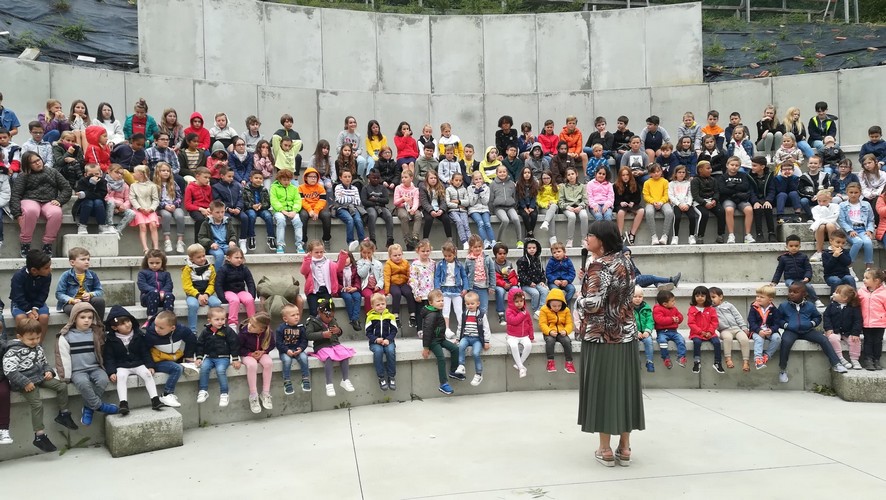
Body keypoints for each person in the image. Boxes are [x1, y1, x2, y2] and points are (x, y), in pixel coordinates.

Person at [576, 220, 644, 467]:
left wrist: (577, 301)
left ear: (601, 240)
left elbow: (593, 303)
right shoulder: (626, 260)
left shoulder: (598, 265)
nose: (587, 239)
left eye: (590, 235)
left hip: (601, 335)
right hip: (626, 333)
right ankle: (624, 448)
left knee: (604, 388)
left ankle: (605, 449)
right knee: (624, 388)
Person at [3, 318, 76, 452]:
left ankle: (63, 414)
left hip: (39, 376)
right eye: (31, 339)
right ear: (20, 337)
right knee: (37, 404)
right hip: (24, 382)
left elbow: (44, 363)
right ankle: (39, 435)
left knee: (62, 386)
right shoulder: (13, 351)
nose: (35, 341)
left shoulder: (38, 347)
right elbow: (9, 370)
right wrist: (25, 382)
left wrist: (48, 371)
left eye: (38, 337)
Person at [56, 301, 118, 425]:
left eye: (90, 318)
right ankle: (99, 406)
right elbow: (61, 357)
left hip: (95, 367)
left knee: (103, 380)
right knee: (83, 383)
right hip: (77, 370)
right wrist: (65, 375)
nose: (86, 320)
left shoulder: (96, 333)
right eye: (82, 317)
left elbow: (103, 351)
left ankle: (88, 408)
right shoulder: (66, 336)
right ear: (74, 318)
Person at [777, 283, 848, 383]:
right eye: (790, 292)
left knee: (823, 339)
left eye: (795, 292)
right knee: (785, 342)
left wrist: (811, 324)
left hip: (807, 331)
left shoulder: (810, 305)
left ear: (804, 294)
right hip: (791, 331)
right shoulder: (783, 306)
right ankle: (783, 369)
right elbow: (778, 319)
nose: (792, 294)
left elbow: (817, 317)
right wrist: (786, 325)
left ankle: (836, 364)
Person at [11, 151, 72, 257]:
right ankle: (25, 244)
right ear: (27, 165)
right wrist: (17, 214)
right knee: (31, 211)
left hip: (49, 201)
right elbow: (16, 194)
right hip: (30, 200)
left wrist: (59, 200)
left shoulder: (53, 172)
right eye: (33, 162)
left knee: (56, 212)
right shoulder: (23, 176)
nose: (38, 163)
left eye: (38, 160)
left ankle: (47, 244)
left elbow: (67, 188)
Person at [104, 305, 162, 414]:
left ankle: (155, 399)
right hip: (122, 365)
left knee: (147, 374)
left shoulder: (138, 335)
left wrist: (150, 365)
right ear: (114, 328)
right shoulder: (111, 340)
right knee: (121, 377)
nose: (127, 325)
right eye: (122, 324)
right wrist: (111, 371)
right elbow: (109, 358)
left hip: (138, 363)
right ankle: (123, 403)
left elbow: (145, 352)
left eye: (128, 321)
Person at [144, 310, 196, 407]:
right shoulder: (151, 334)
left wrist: (188, 356)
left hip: (174, 357)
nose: (157, 329)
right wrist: (150, 365)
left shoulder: (182, 330)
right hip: (158, 361)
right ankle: (166, 394)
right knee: (177, 369)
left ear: (172, 328)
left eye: (161, 328)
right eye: (155, 325)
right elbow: (144, 350)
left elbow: (192, 339)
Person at [306, 298, 356, 397]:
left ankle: (345, 379)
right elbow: (308, 335)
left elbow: (339, 332)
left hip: (334, 344)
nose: (329, 318)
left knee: (344, 354)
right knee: (329, 356)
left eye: (332, 316)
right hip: (321, 346)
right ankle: (329, 384)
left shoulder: (332, 320)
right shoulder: (312, 321)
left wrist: (339, 330)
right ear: (319, 312)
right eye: (327, 316)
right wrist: (322, 335)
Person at [196, 306, 241, 407]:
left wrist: (235, 358)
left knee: (220, 370)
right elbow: (200, 344)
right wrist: (199, 357)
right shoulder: (206, 331)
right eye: (217, 319)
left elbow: (234, 344)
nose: (220, 322)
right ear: (209, 320)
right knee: (204, 368)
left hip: (223, 357)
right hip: (209, 357)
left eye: (222, 319)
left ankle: (224, 393)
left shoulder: (228, 331)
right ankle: (203, 391)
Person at [422, 290, 461, 395]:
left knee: (455, 349)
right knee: (441, 358)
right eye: (438, 301)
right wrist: (426, 347)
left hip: (441, 338)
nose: (441, 302)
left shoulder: (437, 311)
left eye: (442, 300)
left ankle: (453, 371)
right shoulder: (431, 315)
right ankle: (443, 383)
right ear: (431, 303)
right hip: (433, 341)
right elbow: (427, 331)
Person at [771, 234, 823, 309]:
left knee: (808, 286)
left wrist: (807, 277)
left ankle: (816, 300)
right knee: (792, 286)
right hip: (790, 279)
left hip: (801, 278)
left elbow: (808, 268)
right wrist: (774, 282)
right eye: (791, 246)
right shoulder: (783, 258)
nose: (794, 248)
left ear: (800, 247)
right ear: (787, 247)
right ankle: (794, 301)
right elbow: (779, 270)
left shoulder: (803, 257)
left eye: (796, 246)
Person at [11, 249, 52, 342]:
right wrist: (29, 311)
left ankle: (38, 344)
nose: (50, 269)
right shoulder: (18, 276)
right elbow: (18, 296)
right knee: (21, 318)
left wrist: (35, 307)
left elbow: (43, 293)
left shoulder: (47, 275)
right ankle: (22, 344)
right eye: (46, 268)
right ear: (34, 270)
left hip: (38, 303)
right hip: (20, 303)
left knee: (44, 317)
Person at [237, 313, 274, 414]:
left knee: (268, 363)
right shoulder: (243, 332)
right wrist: (249, 354)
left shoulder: (268, 333)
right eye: (250, 322)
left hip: (261, 353)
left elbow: (272, 345)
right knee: (252, 365)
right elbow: (238, 348)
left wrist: (263, 352)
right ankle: (253, 395)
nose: (249, 325)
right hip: (247, 354)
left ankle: (265, 393)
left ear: (261, 330)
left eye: (253, 326)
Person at [182, 243, 223, 334]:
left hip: (207, 294)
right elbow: (187, 286)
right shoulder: (187, 269)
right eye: (199, 257)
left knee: (216, 303)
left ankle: (215, 327)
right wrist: (198, 296)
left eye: (203, 256)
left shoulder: (210, 268)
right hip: (193, 295)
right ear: (191, 259)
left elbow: (212, 283)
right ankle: (192, 331)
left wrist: (206, 294)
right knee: (193, 305)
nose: (202, 259)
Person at [55, 246, 106, 319]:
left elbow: (100, 291)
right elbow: (59, 294)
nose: (87, 262)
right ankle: (78, 329)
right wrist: (71, 300)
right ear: (72, 262)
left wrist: (90, 294)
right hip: (71, 303)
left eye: (88, 259)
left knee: (99, 301)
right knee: (73, 310)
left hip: (87, 301)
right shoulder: (66, 275)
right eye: (83, 259)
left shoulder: (92, 275)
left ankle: (98, 326)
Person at [710, 287, 751, 372]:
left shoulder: (728, 305)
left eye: (713, 297)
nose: (711, 300)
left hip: (736, 328)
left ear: (720, 297)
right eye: (709, 298)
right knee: (727, 338)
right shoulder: (711, 310)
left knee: (744, 339)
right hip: (724, 330)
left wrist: (744, 327)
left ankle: (746, 361)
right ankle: (728, 359)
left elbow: (737, 316)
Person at [216, 246, 257, 330]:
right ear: (228, 258)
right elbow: (218, 284)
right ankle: (233, 325)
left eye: (241, 258)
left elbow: (250, 282)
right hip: (228, 291)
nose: (239, 260)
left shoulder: (244, 268)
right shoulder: (223, 269)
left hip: (241, 291)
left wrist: (252, 294)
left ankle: (252, 322)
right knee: (235, 300)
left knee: (249, 299)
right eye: (236, 257)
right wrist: (222, 298)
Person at [824, 285, 863, 370]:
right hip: (835, 330)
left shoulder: (853, 307)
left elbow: (858, 320)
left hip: (848, 331)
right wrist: (828, 328)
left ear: (844, 298)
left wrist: (855, 333)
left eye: (837, 293)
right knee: (832, 338)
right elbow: (826, 317)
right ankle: (840, 358)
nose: (833, 294)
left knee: (855, 340)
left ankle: (855, 359)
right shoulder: (831, 306)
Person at [837, 182, 875, 269]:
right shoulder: (842, 205)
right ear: (847, 193)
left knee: (868, 242)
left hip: (862, 229)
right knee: (858, 242)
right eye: (851, 192)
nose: (853, 195)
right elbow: (842, 221)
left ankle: (868, 266)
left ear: (860, 193)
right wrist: (850, 230)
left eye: (856, 192)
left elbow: (870, 220)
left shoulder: (866, 204)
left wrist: (869, 230)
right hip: (849, 230)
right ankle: (848, 265)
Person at [687, 286, 724, 374]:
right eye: (697, 296)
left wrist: (710, 332)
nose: (700, 298)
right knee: (697, 342)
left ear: (707, 297)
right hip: (696, 333)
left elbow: (714, 322)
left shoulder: (711, 309)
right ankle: (697, 362)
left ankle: (717, 362)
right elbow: (691, 323)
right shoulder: (692, 309)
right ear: (694, 297)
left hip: (710, 333)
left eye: (702, 296)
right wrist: (700, 332)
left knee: (716, 342)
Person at [275, 304, 311, 394]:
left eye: (297, 314)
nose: (296, 317)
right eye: (293, 315)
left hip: (298, 350)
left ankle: (305, 379)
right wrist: (286, 350)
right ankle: (287, 381)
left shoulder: (301, 327)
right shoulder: (280, 329)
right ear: (285, 319)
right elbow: (278, 343)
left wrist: (301, 349)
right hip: (285, 351)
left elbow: (304, 340)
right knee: (287, 361)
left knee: (304, 358)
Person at [365, 293, 398, 391]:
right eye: (378, 305)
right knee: (378, 352)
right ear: (372, 306)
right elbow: (368, 332)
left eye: (382, 304)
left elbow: (394, 330)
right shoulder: (370, 317)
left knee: (390, 351)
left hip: (389, 341)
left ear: (386, 304)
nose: (380, 306)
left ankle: (391, 376)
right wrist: (375, 339)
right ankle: (381, 377)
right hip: (375, 342)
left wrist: (388, 339)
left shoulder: (390, 316)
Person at [212, 166, 248, 252]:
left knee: (245, 218)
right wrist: (227, 209)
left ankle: (242, 240)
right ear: (222, 176)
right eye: (229, 176)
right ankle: (230, 241)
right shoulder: (216, 187)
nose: (231, 178)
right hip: (225, 210)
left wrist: (238, 208)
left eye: (232, 176)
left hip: (237, 209)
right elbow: (218, 200)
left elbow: (241, 198)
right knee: (227, 219)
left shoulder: (237, 185)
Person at [300, 240, 339, 317]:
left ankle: (327, 327)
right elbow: (303, 271)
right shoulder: (309, 262)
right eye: (316, 252)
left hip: (325, 290)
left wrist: (343, 257)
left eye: (321, 252)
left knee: (327, 311)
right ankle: (314, 326)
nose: (319, 254)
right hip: (313, 291)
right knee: (314, 311)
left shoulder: (328, 262)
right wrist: (307, 259)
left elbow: (339, 268)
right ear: (310, 253)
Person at [540, 287, 575, 374]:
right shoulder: (544, 309)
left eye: (559, 306)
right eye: (554, 306)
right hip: (549, 331)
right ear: (549, 303)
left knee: (567, 341)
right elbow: (542, 324)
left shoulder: (566, 310)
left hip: (561, 331)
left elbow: (569, 323)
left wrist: (566, 331)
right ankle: (550, 362)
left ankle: (569, 363)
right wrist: (549, 331)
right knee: (550, 341)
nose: (557, 308)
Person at [270, 169, 305, 254]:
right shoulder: (274, 187)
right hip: (279, 211)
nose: (286, 182)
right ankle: (280, 245)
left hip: (292, 211)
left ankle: (299, 245)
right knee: (281, 221)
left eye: (288, 180)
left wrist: (294, 211)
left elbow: (297, 200)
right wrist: (282, 210)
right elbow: (274, 200)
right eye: (284, 180)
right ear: (279, 179)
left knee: (297, 221)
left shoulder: (293, 188)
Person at [154, 162, 186, 253]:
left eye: (168, 171)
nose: (166, 172)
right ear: (158, 172)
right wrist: (164, 206)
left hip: (174, 205)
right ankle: (167, 240)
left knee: (180, 216)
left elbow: (179, 197)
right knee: (166, 216)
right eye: (163, 171)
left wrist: (175, 205)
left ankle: (180, 240)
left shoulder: (173, 183)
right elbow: (155, 199)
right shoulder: (154, 185)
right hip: (162, 207)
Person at [748, 284, 782, 370]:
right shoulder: (754, 308)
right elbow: (751, 322)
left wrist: (771, 330)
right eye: (757, 296)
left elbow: (777, 323)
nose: (758, 298)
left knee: (777, 338)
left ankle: (767, 355)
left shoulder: (774, 310)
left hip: (769, 330)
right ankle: (758, 359)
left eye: (761, 297)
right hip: (756, 331)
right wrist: (759, 331)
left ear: (770, 300)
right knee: (759, 339)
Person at [690, 160, 724, 244]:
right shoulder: (695, 180)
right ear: (700, 170)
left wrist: (714, 200)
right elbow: (695, 195)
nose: (710, 170)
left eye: (710, 168)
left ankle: (720, 235)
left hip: (711, 201)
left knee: (721, 212)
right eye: (708, 168)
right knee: (704, 214)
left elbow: (716, 192)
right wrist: (704, 203)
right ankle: (700, 236)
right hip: (699, 202)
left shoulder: (713, 180)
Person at [858, 268, 886, 371]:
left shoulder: (884, 293)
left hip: (879, 323)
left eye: (867, 278)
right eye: (864, 277)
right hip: (866, 323)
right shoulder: (861, 291)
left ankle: (877, 359)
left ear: (876, 281)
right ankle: (868, 360)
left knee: (878, 341)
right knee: (868, 341)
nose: (864, 280)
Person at [385, 243, 418, 329]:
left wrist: (411, 284)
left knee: (409, 293)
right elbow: (387, 277)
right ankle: (395, 315)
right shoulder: (388, 264)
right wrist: (387, 291)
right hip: (394, 284)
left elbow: (409, 274)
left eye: (399, 255)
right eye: (395, 255)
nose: (398, 257)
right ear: (390, 256)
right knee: (396, 294)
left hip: (404, 283)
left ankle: (412, 315)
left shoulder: (405, 262)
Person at [298, 167, 332, 250]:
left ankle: (326, 239)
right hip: (306, 208)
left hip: (318, 208)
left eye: (315, 177)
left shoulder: (320, 187)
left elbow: (322, 201)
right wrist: (309, 210)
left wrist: (316, 211)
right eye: (311, 176)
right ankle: (303, 241)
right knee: (302, 216)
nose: (313, 178)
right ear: (306, 178)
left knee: (327, 215)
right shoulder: (301, 188)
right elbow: (302, 201)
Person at [138, 249, 175, 325]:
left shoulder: (166, 274)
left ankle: (168, 319)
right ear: (147, 262)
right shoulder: (143, 273)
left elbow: (169, 285)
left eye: (157, 263)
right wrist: (155, 291)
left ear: (162, 263)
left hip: (162, 298)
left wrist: (163, 292)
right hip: (148, 299)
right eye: (151, 263)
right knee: (153, 293)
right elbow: (142, 285)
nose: (154, 265)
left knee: (170, 296)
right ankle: (151, 318)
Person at [130, 165, 161, 254]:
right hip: (139, 209)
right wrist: (140, 208)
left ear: (141, 174)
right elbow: (132, 198)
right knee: (142, 226)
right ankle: (145, 248)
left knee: (153, 225)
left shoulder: (152, 186)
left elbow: (155, 199)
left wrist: (151, 209)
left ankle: (156, 247)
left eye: (135, 172)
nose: (133, 174)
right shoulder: (133, 186)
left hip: (150, 209)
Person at [652, 289, 686, 369]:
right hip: (662, 332)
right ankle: (666, 358)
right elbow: (660, 320)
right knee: (663, 342)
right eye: (672, 301)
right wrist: (672, 319)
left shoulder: (674, 309)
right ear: (665, 304)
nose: (674, 302)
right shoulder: (657, 309)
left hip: (674, 331)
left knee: (681, 340)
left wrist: (678, 319)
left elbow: (680, 316)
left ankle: (681, 357)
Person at [242, 169, 275, 251]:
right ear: (251, 179)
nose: (258, 180)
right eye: (256, 178)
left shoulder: (264, 190)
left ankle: (271, 238)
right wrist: (252, 206)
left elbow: (268, 203)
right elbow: (243, 202)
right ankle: (251, 237)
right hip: (250, 208)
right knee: (252, 216)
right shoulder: (245, 189)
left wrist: (261, 206)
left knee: (268, 216)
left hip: (261, 209)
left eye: (260, 178)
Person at [361, 168, 395, 248]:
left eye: (378, 178)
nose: (376, 180)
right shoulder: (365, 188)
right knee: (372, 215)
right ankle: (373, 240)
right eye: (374, 178)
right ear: (369, 178)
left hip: (382, 207)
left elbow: (386, 200)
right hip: (370, 207)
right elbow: (364, 202)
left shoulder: (383, 188)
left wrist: (375, 199)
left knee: (389, 215)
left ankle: (390, 239)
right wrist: (378, 202)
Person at [409, 239, 435, 337]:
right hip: (420, 293)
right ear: (418, 251)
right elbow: (413, 279)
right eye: (423, 251)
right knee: (420, 312)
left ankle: (430, 330)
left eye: (427, 251)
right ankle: (420, 330)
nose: (425, 253)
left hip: (430, 293)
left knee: (431, 313)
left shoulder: (432, 263)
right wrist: (416, 293)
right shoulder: (415, 264)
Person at [199, 200, 238, 265]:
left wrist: (232, 241)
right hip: (214, 246)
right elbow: (201, 238)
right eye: (217, 212)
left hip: (226, 245)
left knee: (236, 254)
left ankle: (234, 273)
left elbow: (233, 234)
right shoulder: (206, 223)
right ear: (211, 213)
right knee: (220, 255)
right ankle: (218, 275)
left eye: (222, 212)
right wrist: (210, 243)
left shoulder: (227, 222)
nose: (220, 214)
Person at [517, 238, 549, 314]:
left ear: (537, 249)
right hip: (526, 284)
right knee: (535, 293)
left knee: (545, 290)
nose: (532, 250)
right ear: (526, 249)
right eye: (529, 248)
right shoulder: (522, 260)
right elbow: (521, 274)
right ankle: (535, 309)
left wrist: (542, 281)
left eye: (534, 248)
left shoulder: (538, 259)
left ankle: (540, 309)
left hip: (537, 282)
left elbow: (542, 272)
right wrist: (529, 282)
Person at [558, 167, 589, 248]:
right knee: (572, 216)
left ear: (576, 174)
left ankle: (584, 239)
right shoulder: (563, 187)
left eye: (572, 174)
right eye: (568, 175)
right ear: (566, 177)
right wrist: (567, 207)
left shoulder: (582, 186)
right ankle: (570, 240)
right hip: (568, 207)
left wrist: (580, 206)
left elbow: (585, 200)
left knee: (584, 216)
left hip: (579, 206)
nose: (571, 176)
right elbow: (560, 201)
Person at [642, 164, 672, 245]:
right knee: (649, 212)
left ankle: (665, 235)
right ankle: (654, 236)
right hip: (651, 203)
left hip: (663, 202)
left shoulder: (665, 182)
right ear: (650, 174)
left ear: (661, 172)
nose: (656, 174)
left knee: (669, 212)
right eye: (654, 172)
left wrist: (661, 202)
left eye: (658, 171)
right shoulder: (647, 183)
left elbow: (666, 194)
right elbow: (646, 195)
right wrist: (653, 202)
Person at [748, 156, 777, 243]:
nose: (752, 167)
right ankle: (759, 234)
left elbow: (772, 190)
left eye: (754, 166)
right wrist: (755, 202)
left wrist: (768, 200)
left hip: (767, 199)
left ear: (762, 167)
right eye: (752, 165)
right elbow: (750, 191)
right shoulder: (749, 176)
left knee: (768, 208)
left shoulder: (770, 176)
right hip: (756, 199)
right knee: (757, 209)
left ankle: (771, 233)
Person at [393, 169, 422, 250]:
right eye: (402, 177)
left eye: (406, 177)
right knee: (404, 216)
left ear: (411, 178)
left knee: (418, 215)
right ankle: (407, 241)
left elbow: (416, 201)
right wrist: (403, 198)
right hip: (401, 207)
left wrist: (413, 209)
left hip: (411, 207)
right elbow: (395, 202)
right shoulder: (398, 188)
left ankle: (415, 237)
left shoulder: (415, 189)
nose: (403, 179)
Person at [419, 168, 452, 240]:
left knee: (446, 218)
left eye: (435, 178)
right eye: (431, 178)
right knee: (428, 219)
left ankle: (449, 239)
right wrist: (431, 211)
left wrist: (441, 210)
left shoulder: (441, 186)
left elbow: (443, 200)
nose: (433, 180)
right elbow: (424, 202)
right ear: (427, 179)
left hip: (439, 208)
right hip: (428, 209)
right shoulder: (423, 187)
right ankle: (425, 239)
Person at [668, 165, 696, 244]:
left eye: (683, 172)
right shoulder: (671, 184)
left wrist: (688, 204)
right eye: (679, 172)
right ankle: (675, 236)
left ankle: (691, 236)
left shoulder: (688, 183)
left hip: (687, 204)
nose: (681, 174)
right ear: (675, 173)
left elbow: (691, 195)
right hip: (677, 204)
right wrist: (679, 204)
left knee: (692, 217)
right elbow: (671, 196)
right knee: (677, 217)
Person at [467, 171, 495, 249]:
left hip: (484, 209)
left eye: (480, 179)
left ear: (483, 179)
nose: (478, 181)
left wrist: (481, 191)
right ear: (473, 180)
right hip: (474, 210)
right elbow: (471, 203)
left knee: (487, 224)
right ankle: (485, 241)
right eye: (476, 179)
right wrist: (476, 192)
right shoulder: (469, 188)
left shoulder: (487, 188)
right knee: (481, 223)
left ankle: (493, 241)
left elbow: (485, 202)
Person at [810, 189, 840, 262]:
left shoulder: (836, 206)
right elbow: (817, 219)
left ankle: (833, 248)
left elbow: (833, 218)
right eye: (819, 201)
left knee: (829, 225)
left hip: (833, 227)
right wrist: (823, 221)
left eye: (824, 201)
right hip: (821, 228)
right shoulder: (815, 208)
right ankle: (819, 252)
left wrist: (823, 220)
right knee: (821, 226)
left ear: (830, 199)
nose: (821, 203)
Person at [822, 229, 855, 294]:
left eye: (843, 243)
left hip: (844, 275)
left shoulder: (845, 252)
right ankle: (834, 300)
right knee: (836, 280)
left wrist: (840, 255)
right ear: (831, 241)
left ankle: (854, 299)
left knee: (850, 278)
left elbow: (848, 262)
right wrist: (834, 256)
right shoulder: (825, 253)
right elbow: (827, 268)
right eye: (838, 242)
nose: (840, 245)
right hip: (830, 276)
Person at [630, 286, 655, 373]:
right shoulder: (629, 309)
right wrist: (635, 332)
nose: (637, 299)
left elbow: (650, 321)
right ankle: (637, 363)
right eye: (635, 296)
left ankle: (650, 361)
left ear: (643, 297)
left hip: (645, 333)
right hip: (634, 332)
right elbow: (628, 321)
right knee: (634, 344)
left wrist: (647, 331)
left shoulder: (646, 308)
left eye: (640, 297)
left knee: (648, 342)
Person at [338, 250, 362, 331]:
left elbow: (357, 280)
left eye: (347, 257)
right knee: (348, 298)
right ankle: (353, 320)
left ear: (351, 258)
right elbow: (335, 282)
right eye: (343, 258)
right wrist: (343, 288)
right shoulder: (337, 269)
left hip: (353, 289)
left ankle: (354, 319)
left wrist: (355, 288)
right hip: (342, 290)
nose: (345, 259)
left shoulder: (355, 268)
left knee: (357, 297)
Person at [446, 171, 471, 249]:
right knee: (459, 222)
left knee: (466, 225)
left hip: (463, 211)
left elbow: (467, 202)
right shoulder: (448, 189)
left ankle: (471, 241)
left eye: (460, 180)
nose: (458, 182)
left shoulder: (464, 190)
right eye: (456, 180)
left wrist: (459, 201)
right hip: (452, 211)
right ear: (452, 180)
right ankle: (464, 242)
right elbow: (448, 203)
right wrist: (458, 205)